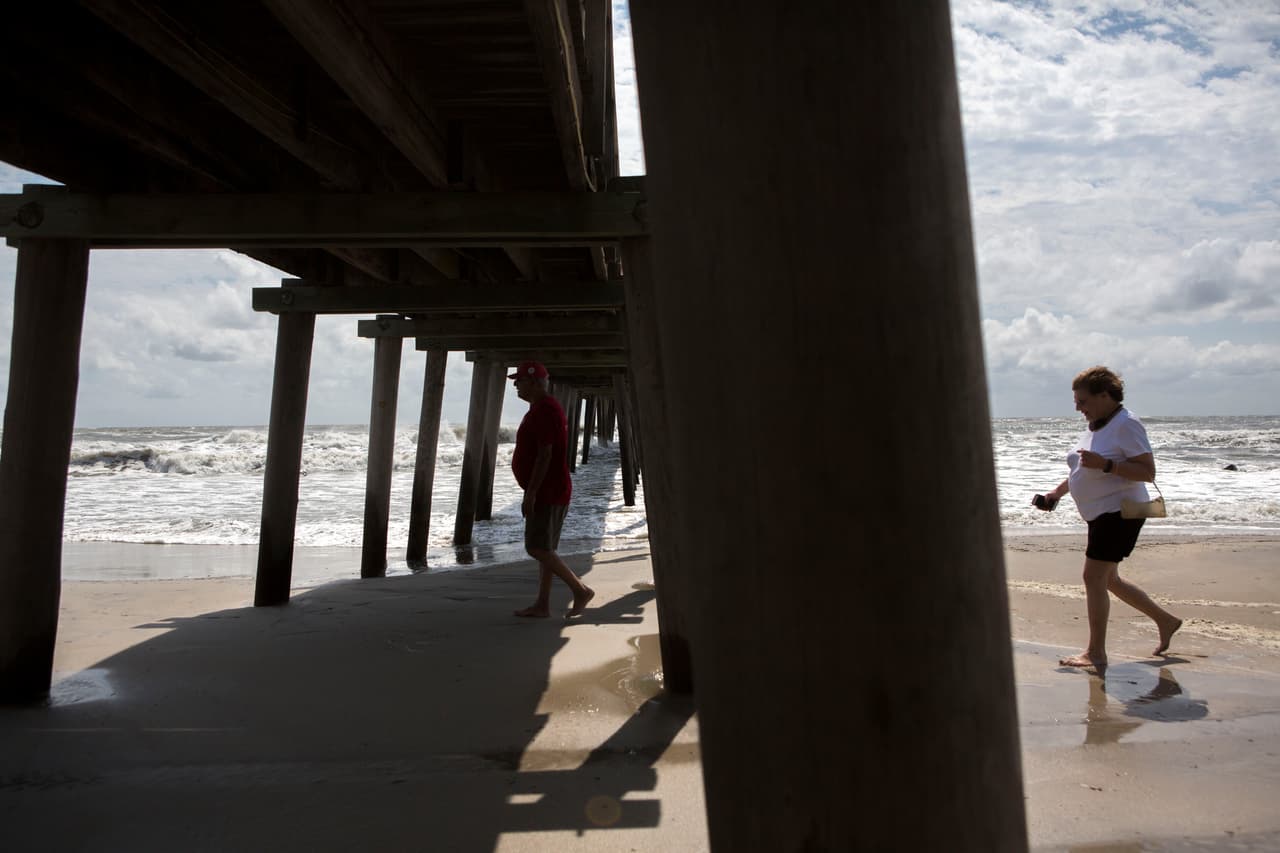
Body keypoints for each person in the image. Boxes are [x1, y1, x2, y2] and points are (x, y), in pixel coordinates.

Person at [1033, 366, 1182, 668]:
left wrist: (1107, 466)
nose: (1078, 407)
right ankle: (1166, 621)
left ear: (1104, 395)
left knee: (1093, 577)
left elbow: (1147, 471)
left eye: (1083, 401)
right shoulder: (1095, 424)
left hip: (1120, 512)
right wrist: (1055, 494)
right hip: (1100, 513)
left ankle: (1096, 653)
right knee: (1108, 579)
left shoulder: (1127, 425)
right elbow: (1080, 469)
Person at [508, 360, 594, 618]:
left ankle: (579, 589)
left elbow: (545, 454)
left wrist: (530, 493)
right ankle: (542, 604)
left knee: (537, 548)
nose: (515, 386)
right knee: (545, 549)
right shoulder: (541, 408)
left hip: (548, 492)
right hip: (553, 489)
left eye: (519, 381)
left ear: (534, 382)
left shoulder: (545, 410)